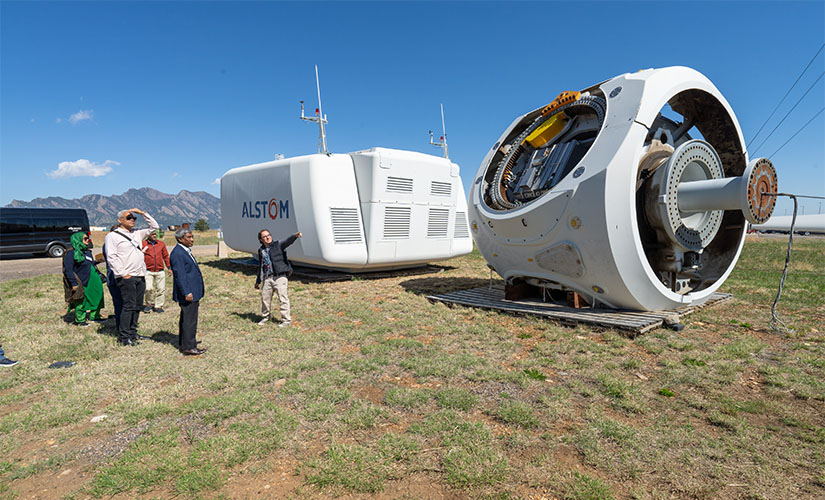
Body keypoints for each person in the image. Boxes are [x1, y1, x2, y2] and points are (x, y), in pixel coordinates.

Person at [104, 208, 159, 346]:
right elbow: (111, 257)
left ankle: (133, 333)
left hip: (140, 275)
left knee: (137, 306)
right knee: (128, 306)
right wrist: (123, 274)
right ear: (120, 220)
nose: (132, 220)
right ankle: (124, 337)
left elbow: (155, 227)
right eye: (129, 217)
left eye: (134, 218)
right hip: (126, 277)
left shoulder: (137, 234)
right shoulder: (112, 236)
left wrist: (142, 213)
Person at [170, 228, 207, 355]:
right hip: (188, 293)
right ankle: (189, 346)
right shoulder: (178, 253)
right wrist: (187, 292)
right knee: (190, 320)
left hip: (192, 290)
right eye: (189, 237)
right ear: (180, 239)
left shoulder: (184, 251)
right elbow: (180, 275)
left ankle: (185, 342)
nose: (192, 239)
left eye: (192, 237)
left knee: (187, 318)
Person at [254, 229, 301, 327]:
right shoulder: (261, 250)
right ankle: (266, 317)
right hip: (267, 278)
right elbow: (260, 266)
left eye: (269, 235)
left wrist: (295, 236)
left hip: (280, 276)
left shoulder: (278, 245)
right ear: (261, 239)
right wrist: (258, 281)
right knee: (265, 299)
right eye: (264, 236)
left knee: (283, 298)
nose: (268, 237)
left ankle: (286, 320)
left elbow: (287, 241)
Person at [62, 232, 105, 326]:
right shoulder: (71, 253)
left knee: (98, 297)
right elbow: (68, 270)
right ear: (77, 239)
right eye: (85, 239)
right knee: (81, 299)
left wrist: (97, 261)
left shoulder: (87, 251)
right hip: (82, 281)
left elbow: (89, 263)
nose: (88, 240)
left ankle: (95, 316)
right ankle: (80, 320)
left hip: (94, 279)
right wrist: (73, 283)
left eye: (88, 238)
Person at [142, 229, 171, 313]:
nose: (155, 236)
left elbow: (165, 256)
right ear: (148, 235)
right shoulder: (143, 244)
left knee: (161, 289)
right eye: (153, 234)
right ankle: (148, 304)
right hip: (148, 270)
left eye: (155, 234)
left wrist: (169, 268)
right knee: (148, 288)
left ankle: (159, 306)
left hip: (160, 270)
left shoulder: (161, 244)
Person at [102, 224, 124, 332]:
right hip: (116, 278)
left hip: (116, 277)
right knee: (120, 304)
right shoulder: (110, 244)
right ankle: (122, 328)